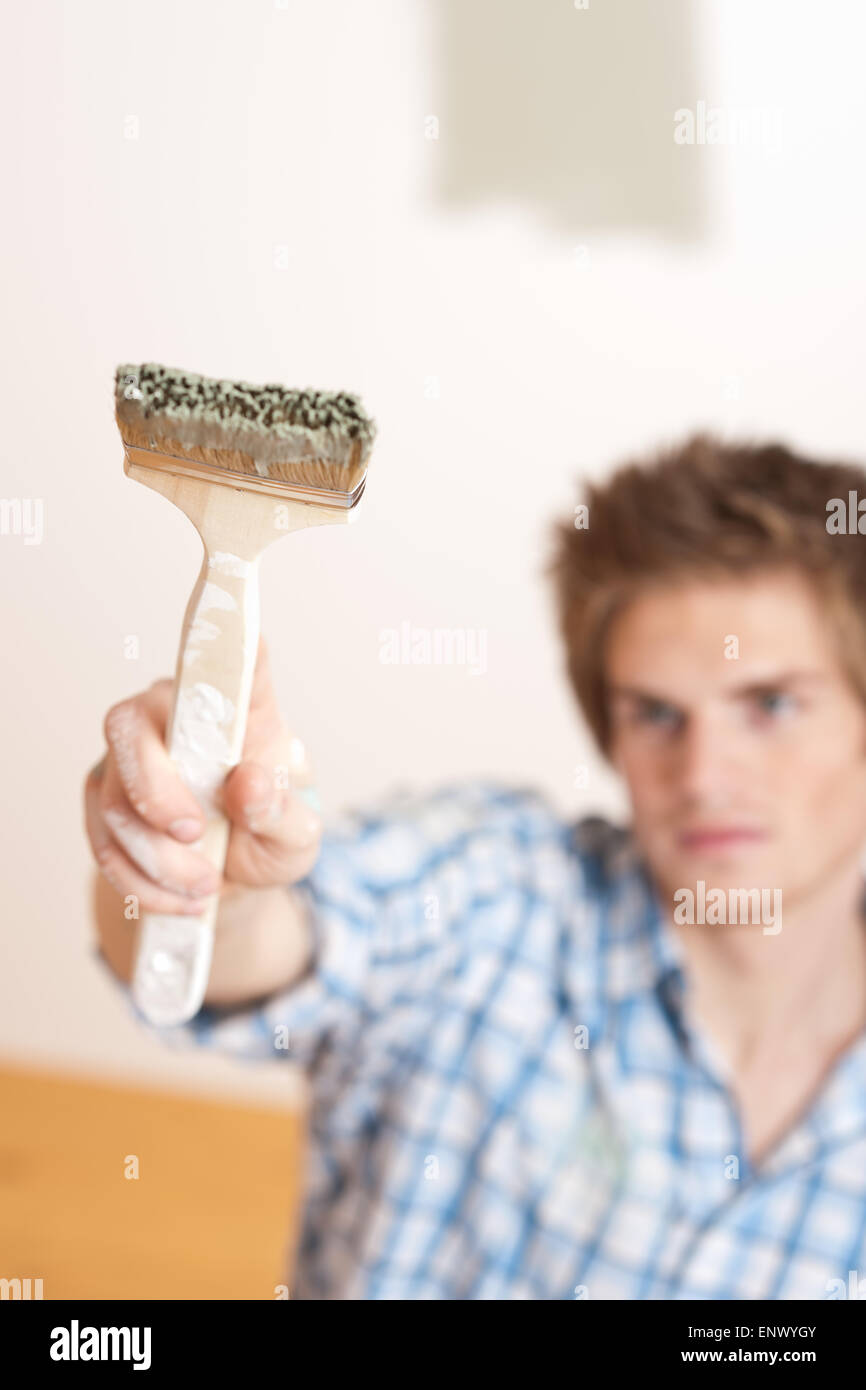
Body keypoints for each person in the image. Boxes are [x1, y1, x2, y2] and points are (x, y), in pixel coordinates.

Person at [85, 433, 866, 1300]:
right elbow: (289, 938)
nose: (706, 776)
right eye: (653, 713)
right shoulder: (497, 898)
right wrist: (209, 883)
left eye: (771, 704)